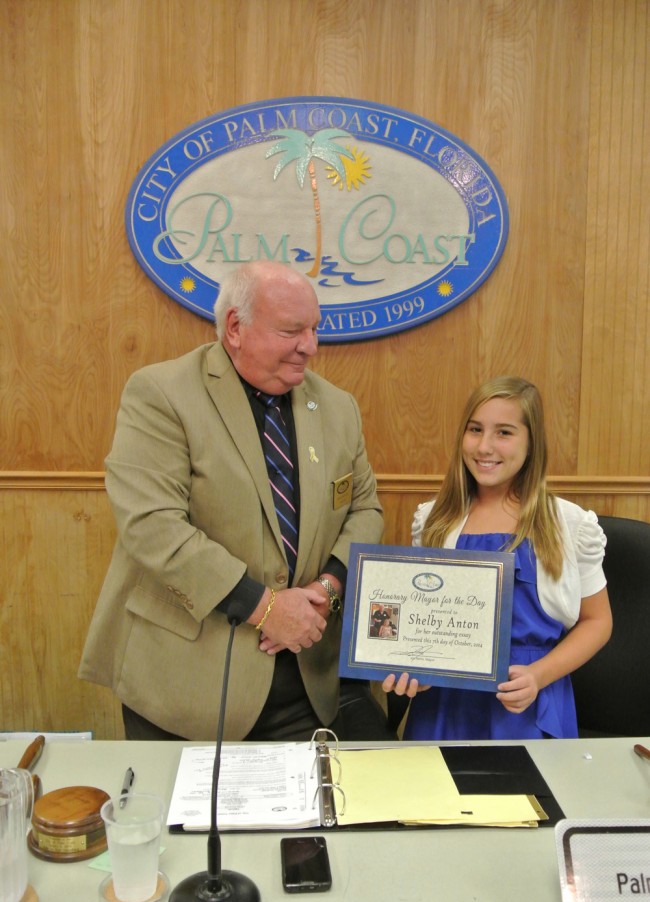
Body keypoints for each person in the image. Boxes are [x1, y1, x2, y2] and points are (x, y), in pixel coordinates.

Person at [79, 260, 393, 742]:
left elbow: (363, 509)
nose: (310, 346)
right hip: (187, 691)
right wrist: (267, 608)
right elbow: (152, 525)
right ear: (235, 328)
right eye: (292, 330)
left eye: (314, 329)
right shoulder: (161, 393)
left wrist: (327, 589)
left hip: (308, 690)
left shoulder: (337, 406)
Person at [382, 376, 612, 740]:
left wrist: (540, 675)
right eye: (475, 430)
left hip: (527, 701)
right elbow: (419, 622)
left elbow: (598, 621)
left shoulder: (568, 525)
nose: (485, 446)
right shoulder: (433, 521)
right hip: (444, 707)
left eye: (504, 433)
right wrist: (415, 670)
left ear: (531, 442)